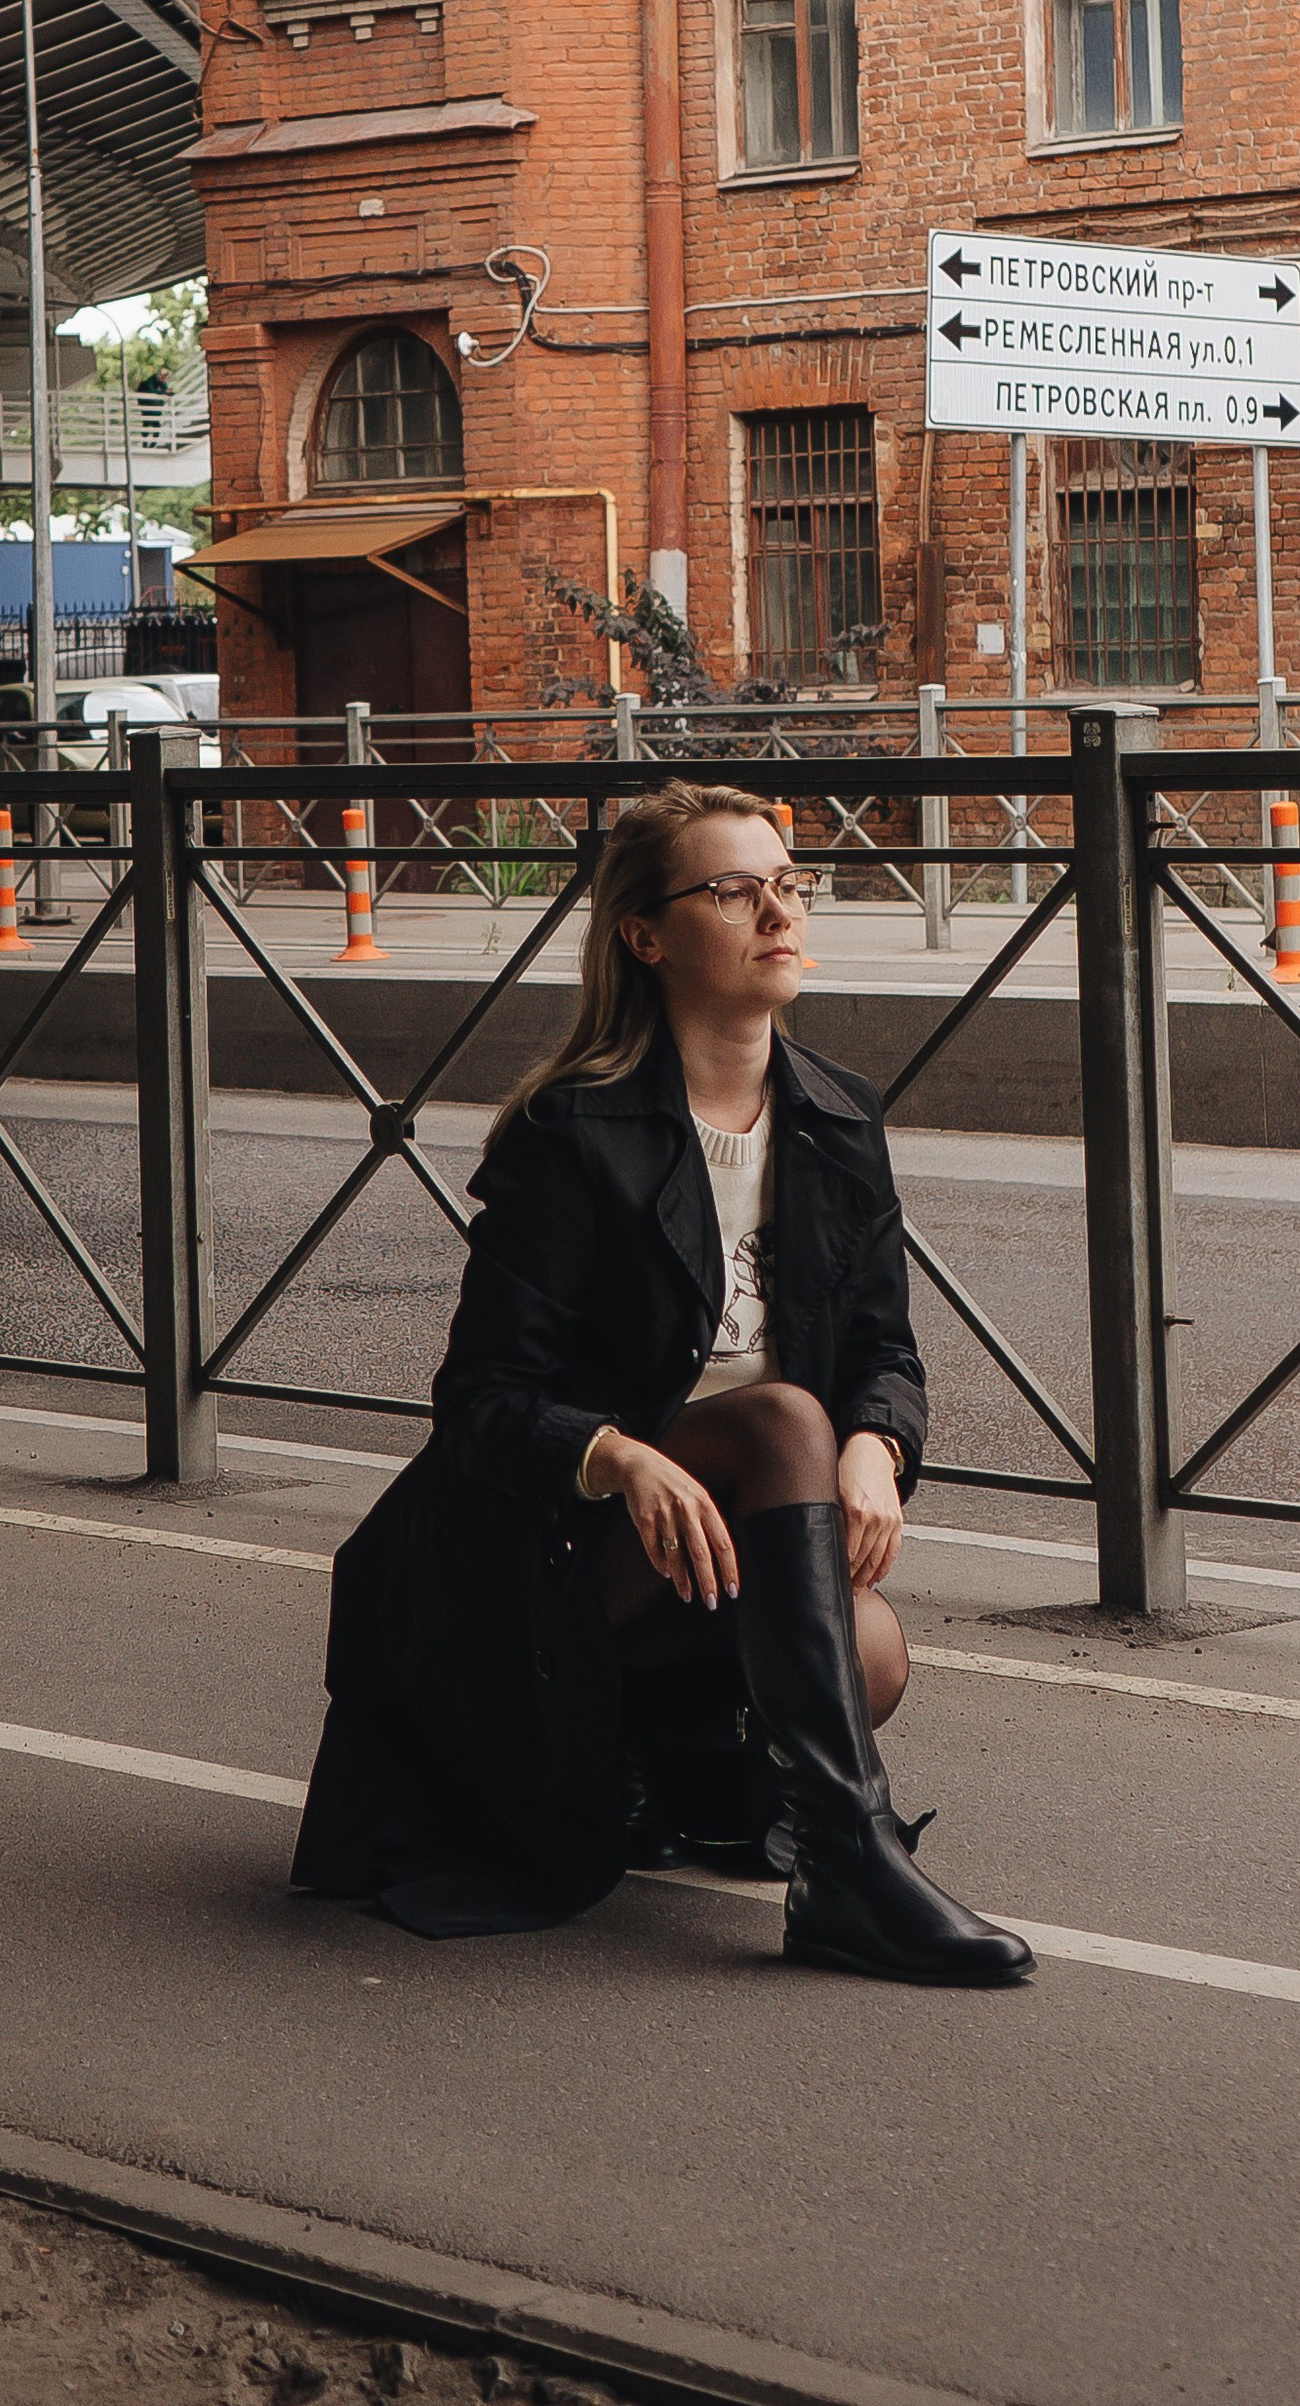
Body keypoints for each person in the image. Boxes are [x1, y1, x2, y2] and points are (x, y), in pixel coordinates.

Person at [292, 779, 1033, 1985]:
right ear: (645, 936)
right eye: (736, 892)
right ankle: (847, 1865)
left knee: (876, 1648)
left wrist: (876, 1448)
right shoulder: (572, 1133)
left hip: (704, 1553)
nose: (778, 913)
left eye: (789, 885)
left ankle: (652, 1763)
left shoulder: (838, 1117)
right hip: (533, 1552)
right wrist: (621, 1455)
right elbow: (482, 1402)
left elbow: (883, 1355)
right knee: (784, 1416)